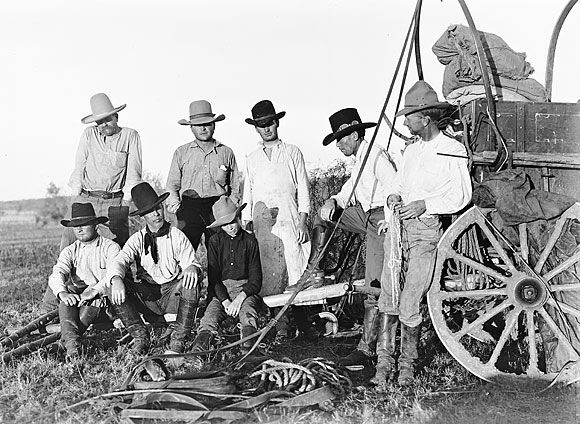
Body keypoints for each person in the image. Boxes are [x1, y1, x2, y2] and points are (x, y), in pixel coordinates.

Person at [371, 80, 472, 386]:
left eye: (409, 117)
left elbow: (462, 196)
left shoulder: (452, 150)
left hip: (427, 232)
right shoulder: (412, 152)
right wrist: (393, 198)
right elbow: (399, 186)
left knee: (411, 298)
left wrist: (424, 205)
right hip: (399, 231)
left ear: (425, 119)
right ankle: (383, 365)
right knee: (388, 295)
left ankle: (406, 366)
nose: (405, 121)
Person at [300, 107, 398, 368]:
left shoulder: (375, 155)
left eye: (342, 138)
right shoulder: (358, 161)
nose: (339, 145)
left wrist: (388, 221)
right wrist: (332, 200)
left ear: (355, 134)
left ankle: (367, 349)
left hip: (379, 218)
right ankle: (314, 271)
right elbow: (348, 192)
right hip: (364, 216)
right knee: (324, 215)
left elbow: (394, 187)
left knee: (373, 283)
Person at [41, 92, 142, 313]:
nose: (104, 124)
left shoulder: (130, 136)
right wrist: (76, 201)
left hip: (115, 200)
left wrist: (124, 203)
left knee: (120, 251)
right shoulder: (88, 135)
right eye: (99, 121)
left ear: (117, 117)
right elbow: (79, 167)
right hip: (86, 198)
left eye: (108, 119)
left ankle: (124, 307)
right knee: (68, 247)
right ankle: (51, 308)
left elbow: (134, 173)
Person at [242, 100, 315, 342]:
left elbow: (303, 189)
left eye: (269, 123)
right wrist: (247, 222)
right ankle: (279, 326)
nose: (266, 129)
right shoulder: (252, 158)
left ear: (277, 122)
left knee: (295, 270)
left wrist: (303, 220)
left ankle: (305, 325)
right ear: (256, 128)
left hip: (289, 219)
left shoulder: (292, 151)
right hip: (264, 225)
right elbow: (248, 193)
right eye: (261, 125)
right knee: (270, 275)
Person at [106, 182, 202, 355]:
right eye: (150, 211)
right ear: (143, 216)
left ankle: (178, 340)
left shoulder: (177, 235)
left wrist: (192, 268)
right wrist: (116, 279)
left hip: (172, 294)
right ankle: (140, 337)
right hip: (147, 296)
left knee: (192, 281)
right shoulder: (137, 239)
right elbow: (119, 261)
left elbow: (191, 262)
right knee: (111, 284)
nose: (156, 214)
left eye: (158, 208)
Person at [189, 196, 263, 369]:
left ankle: (248, 353)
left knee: (248, 314)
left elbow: (256, 280)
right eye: (225, 224)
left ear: (238, 218)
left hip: (245, 290)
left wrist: (239, 298)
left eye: (233, 221)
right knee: (209, 318)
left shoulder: (250, 241)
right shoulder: (214, 242)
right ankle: (198, 354)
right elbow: (214, 279)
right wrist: (226, 301)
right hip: (220, 291)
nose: (230, 227)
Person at [47, 203, 123, 358]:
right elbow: (57, 272)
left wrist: (94, 290)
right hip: (80, 301)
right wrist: (62, 293)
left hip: (106, 304)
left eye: (84, 225)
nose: (79, 230)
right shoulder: (70, 250)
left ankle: (67, 341)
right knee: (67, 293)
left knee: (95, 299)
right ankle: (73, 344)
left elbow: (114, 274)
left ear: (96, 225)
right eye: (75, 226)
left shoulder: (111, 247)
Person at [166, 100, 241, 249]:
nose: (203, 128)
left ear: (214, 125)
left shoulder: (226, 152)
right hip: (188, 207)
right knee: (184, 251)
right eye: (198, 125)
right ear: (191, 127)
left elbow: (235, 186)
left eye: (207, 123)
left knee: (220, 252)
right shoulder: (182, 152)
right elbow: (172, 184)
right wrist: (177, 208)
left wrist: (230, 209)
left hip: (218, 207)